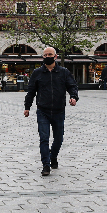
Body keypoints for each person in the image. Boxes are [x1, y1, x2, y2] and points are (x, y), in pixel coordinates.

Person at [23, 47, 79, 176]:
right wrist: (27, 107)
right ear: (42, 57)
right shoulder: (37, 73)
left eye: (50, 54)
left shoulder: (64, 72)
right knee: (44, 138)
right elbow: (31, 91)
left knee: (58, 139)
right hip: (43, 110)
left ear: (55, 56)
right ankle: (46, 165)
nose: (47, 56)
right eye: (45, 55)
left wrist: (73, 97)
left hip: (59, 110)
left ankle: (53, 156)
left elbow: (72, 86)